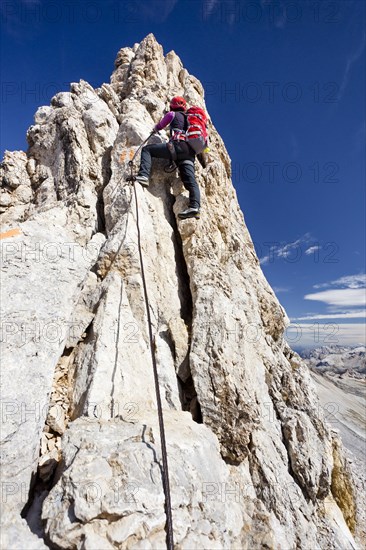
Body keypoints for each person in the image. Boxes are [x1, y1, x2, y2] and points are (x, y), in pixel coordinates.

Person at [135, 96, 201, 220]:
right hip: (189, 153)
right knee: (191, 181)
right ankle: (195, 207)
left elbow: (161, 125)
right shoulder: (191, 120)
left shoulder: (172, 114)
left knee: (147, 150)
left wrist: (155, 129)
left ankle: (143, 176)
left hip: (177, 147)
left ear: (172, 106)